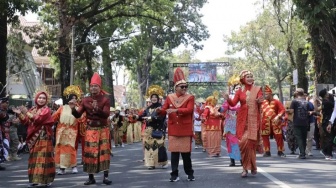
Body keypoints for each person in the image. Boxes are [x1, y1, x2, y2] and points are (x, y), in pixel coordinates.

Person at [69, 72, 112, 185]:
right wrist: (73, 109)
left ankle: (105, 177)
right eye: (92, 86)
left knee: (104, 152)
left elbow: (106, 114)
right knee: (89, 153)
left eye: (95, 86)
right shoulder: (85, 100)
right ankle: (91, 177)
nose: (93, 88)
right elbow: (78, 115)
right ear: (90, 87)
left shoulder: (105, 100)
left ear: (99, 87)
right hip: (90, 130)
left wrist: (97, 109)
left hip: (102, 129)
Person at [157, 67, 195, 182]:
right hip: (174, 128)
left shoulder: (190, 97)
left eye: (185, 87)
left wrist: (176, 110)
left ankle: (189, 173)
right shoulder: (170, 97)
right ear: (176, 88)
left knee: (186, 154)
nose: (184, 88)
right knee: (174, 153)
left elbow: (189, 110)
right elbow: (164, 110)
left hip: (185, 129)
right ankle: (174, 174)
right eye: (182, 87)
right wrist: (159, 111)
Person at [223, 70, 263, 178]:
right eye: (247, 76)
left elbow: (260, 100)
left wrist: (259, 101)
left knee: (251, 144)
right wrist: (227, 99)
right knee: (242, 144)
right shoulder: (239, 91)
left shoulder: (257, 89)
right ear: (243, 79)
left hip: (253, 120)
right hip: (242, 120)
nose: (250, 78)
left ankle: (252, 167)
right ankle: (244, 168)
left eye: (251, 76)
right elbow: (233, 103)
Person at [13, 91, 55, 187]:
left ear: (46, 100)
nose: (41, 100)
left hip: (43, 137)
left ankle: (45, 180)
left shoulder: (46, 110)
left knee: (43, 159)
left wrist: (26, 112)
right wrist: (20, 114)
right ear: (36, 98)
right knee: (34, 158)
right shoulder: (33, 109)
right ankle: (35, 180)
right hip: (34, 138)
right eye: (40, 98)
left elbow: (37, 119)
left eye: (44, 98)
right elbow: (27, 122)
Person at [52, 85, 83, 175]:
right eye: (71, 98)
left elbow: (81, 119)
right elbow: (53, 118)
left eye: (75, 98)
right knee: (60, 149)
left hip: (72, 132)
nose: (73, 100)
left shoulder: (77, 109)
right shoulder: (62, 108)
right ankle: (62, 168)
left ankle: (73, 166)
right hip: (61, 132)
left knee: (71, 149)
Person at [137, 85, 168, 169]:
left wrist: (151, 118)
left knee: (160, 146)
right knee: (148, 147)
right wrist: (136, 117)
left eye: (155, 97)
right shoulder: (147, 108)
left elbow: (161, 118)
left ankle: (163, 162)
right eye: (152, 97)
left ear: (158, 98)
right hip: (149, 130)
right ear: (150, 99)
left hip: (158, 129)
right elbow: (142, 116)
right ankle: (150, 164)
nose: (154, 98)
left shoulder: (161, 107)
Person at [260, 85, 286, 157]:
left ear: (270, 94)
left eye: (266, 94)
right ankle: (267, 151)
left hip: (275, 122)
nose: (265, 95)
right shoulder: (262, 103)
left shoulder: (276, 102)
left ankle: (280, 151)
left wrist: (278, 116)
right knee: (265, 136)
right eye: (264, 94)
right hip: (265, 123)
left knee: (279, 136)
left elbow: (282, 110)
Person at [288, 88, 314, 159]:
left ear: (296, 93)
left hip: (297, 122)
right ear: (303, 94)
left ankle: (302, 154)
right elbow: (309, 112)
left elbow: (291, 111)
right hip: (305, 122)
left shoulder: (294, 101)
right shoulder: (307, 102)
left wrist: (287, 110)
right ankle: (303, 153)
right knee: (304, 137)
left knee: (299, 138)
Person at [222, 76, 241, 166]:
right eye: (237, 88)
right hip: (231, 123)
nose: (238, 89)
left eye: (240, 87)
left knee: (241, 141)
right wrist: (218, 110)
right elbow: (224, 107)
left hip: (242, 122)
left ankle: (242, 159)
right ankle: (232, 160)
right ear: (233, 89)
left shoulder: (245, 97)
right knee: (231, 141)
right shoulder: (230, 97)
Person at [201, 91, 223, 157]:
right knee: (212, 139)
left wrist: (221, 115)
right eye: (214, 100)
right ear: (210, 101)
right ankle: (212, 152)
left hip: (217, 126)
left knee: (217, 139)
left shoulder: (217, 108)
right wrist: (203, 119)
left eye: (216, 100)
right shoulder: (208, 108)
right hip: (210, 126)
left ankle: (217, 152)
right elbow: (204, 115)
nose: (215, 102)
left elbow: (222, 115)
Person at [318, 89, 335, 160]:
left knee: (330, 137)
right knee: (330, 137)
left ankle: (327, 151)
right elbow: (333, 105)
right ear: (325, 95)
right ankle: (327, 152)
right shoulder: (326, 102)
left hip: (328, 121)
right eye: (327, 92)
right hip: (327, 122)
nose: (328, 93)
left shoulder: (325, 102)